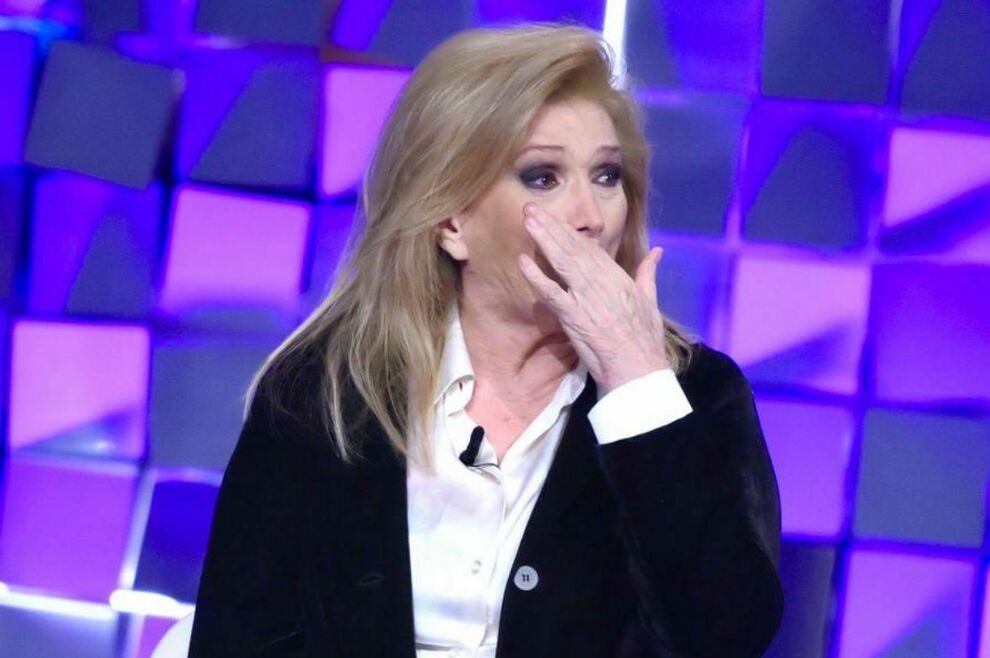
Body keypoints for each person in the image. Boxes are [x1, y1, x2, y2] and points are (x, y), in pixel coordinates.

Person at [189, 22, 783, 658]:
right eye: (543, 177)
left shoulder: (695, 396)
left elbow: (728, 636)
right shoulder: (329, 390)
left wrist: (635, 385)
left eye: (607, 175)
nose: (590, 217)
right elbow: (237, 640)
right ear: (451, 221)